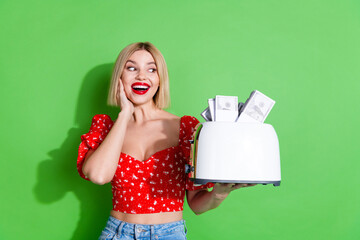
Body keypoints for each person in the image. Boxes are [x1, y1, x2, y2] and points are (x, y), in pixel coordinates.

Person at [77, 42, 256, 240]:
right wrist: (124, 114)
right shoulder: (106, 128)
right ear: (120, 78)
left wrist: (219, 194)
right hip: (117, 234)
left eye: (151, 69)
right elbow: (98, 176)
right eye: (131, 68)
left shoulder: (185, 129)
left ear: (160, 79)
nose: (141, 76)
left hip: (169, 234)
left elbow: (197, 204)